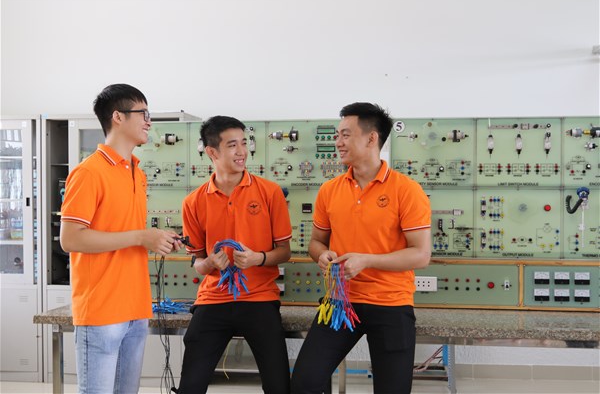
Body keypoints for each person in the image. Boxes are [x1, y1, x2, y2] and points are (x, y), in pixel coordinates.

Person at [291, 102, 432, 394]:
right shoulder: (329, 190)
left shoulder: (407, 190)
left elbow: (421, 254)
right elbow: (316, 242)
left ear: (371, 138)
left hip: (391, 304)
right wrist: (321, 255)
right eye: (337, 135)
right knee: (304, 383)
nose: (338, 142)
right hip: (340, 302)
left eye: (345, 134)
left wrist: (367, 261)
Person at [60, 83, 183, 394]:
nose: (149, 122)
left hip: (135, 308)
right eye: (143, 114)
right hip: (102, 311)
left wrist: (158, 238)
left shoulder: (137, 173)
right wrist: (141, 237)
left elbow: (123, 230)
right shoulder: (89, 172)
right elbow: (71, 239)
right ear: (117, 116)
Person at [176, 116, 292, 394]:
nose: (242, 151)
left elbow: (284, 252)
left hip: (259, 298)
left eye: (244, 143)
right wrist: (209, 263)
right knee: (190, 386)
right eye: (232, 145)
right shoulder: (193, 202)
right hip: (213, 298)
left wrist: (257, 259)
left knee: (278, 386)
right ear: (212, 152)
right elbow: (197, 262)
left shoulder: (270, 193)